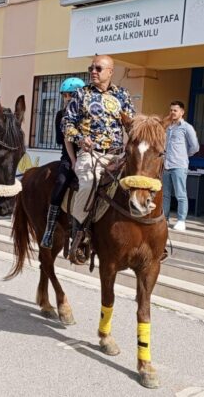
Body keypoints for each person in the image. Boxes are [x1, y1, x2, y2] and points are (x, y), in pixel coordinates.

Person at [62, 55, 135, 263]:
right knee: (87, 185)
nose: (93, 71)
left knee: (140, 182)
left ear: (110, 72)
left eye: (98, 68)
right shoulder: (81, 94)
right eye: (91, 68)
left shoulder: (122, 95)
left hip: (117, 154)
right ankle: (79, 233)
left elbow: (131, 124)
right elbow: (67, 124)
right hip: (91, 154)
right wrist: (79, 139)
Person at [40, 77, 85, 249]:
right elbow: (61, 139)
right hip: (68, 156)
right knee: (60, 182)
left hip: (88, 156)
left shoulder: (87, 115)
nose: (67, 98)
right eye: (64, 95)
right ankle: (49, 229)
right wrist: (73, 159)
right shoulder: (61, 114)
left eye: (70, 95)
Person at [162, 101, 200, 231]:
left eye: (175, 110)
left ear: (182, 112)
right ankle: (164, 218)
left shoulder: (187, 127)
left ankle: (181, 220)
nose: (172, 112)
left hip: (179, 165)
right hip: (166, 165)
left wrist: (184, 155)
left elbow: (195, 147)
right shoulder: (168, 127)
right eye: (171, 110)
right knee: (165, 194)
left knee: (180, 194)